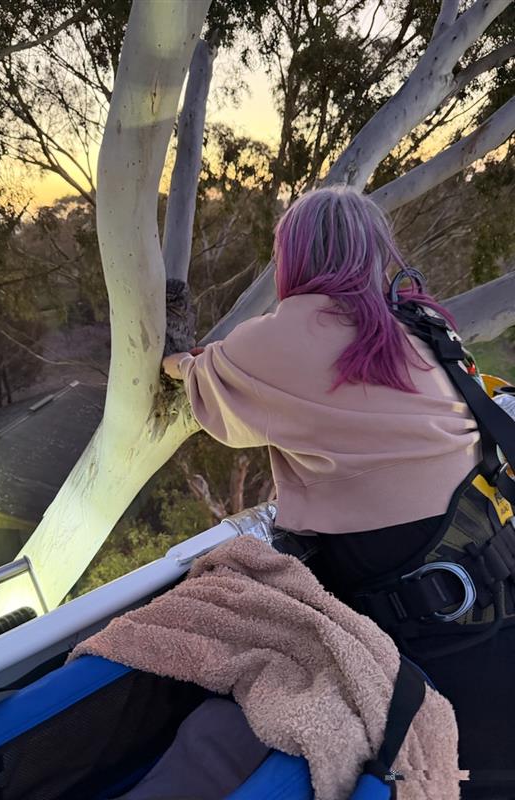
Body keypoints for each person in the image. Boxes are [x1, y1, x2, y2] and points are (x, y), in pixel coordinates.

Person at [161, 186, 515, 799]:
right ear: (376, 254)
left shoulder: (281, 338)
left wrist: (172, 361)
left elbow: (206, 393)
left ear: (294, 258)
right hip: (488, 596)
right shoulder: (421, 331)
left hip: (423, 638)